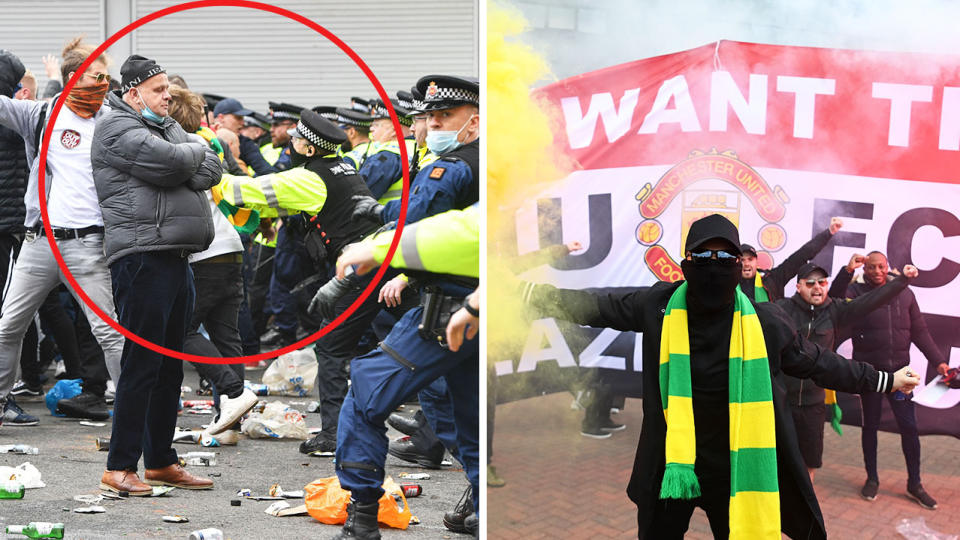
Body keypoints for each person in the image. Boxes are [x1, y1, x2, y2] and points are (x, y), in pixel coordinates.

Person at [521, 213, 919, 539]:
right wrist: (528, 295)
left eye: (724, 258)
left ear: (738, 265)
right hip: (671, 464)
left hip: (735, 466)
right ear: (686, 263)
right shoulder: (658, 305)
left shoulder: (763, 322)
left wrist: (885, 379)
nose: (714, 267)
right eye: (703, 257)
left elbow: (819, 362)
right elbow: (596, 305)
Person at [212, 109, 383, 457]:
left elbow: (248, 192)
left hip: (358, 271)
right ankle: (421, 429)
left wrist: (213, 171)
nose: (289, 145)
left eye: (295, 141)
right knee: (405, 341)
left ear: (308, 149)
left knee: (333, 349)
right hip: (377, 262)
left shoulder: (309, 178)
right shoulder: (344, 165)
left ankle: (335, 434)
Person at [92, 54, 220, 495]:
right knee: (142, 364)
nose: (168, 96)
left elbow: (211, 167)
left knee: (169, 366)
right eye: (158, 90)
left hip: (175, 256)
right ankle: (120, 465)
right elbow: (173, 164)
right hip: (142, 258)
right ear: (133, 93)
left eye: (168, 88)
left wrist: (189, 157)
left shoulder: (166, 127)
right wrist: (191, 156)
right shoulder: (116, 127)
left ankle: (161, 461)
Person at [332, 204, 481, 539]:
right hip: (492, 309)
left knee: (367, 391)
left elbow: (469, 227)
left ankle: (362, 520)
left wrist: (380, 247)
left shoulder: (493, 176)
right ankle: (486, 504)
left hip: (455, 309)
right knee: (473, 417)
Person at [0, 40, 125, 427]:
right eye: (96, 76)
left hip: (88, 244)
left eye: (106, 76)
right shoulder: (40, 115)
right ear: (73, 79)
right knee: (8, 326)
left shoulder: (112, 121)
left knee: (109, 332)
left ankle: (133, 410)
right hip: (39, 243)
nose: (104, 83)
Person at [775, 258, 916, 481]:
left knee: (809, 465)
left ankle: (803, 511)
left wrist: (901, 281)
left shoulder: (834, 310)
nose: (817, 287)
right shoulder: (781, 310)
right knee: (777, 463)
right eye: (810, 283)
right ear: (798, 286)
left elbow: (871, 300)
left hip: (813, 404)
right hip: (781, 403)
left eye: (821, 282)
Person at [829, 250, 949, 509]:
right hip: (872, 376)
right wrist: (847, 272)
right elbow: (834, 302)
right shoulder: (856, 294)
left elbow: (920, 331)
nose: (877, 272)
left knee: (909, 426)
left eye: (881, 267)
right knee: (870, 425)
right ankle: (872, 479)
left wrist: (939, 362)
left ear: (888, 266)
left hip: (901, 376)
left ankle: (914, 484)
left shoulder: (905, 292)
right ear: (865, 270)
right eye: (871, 268)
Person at [352, 75, 479, 226]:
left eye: (445, 114)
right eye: (430, 115)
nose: (433, 123)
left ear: (473, 123)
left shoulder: (450, 168)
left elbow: (416, 215)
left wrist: (379, 215)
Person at [739, 217, 843, 302]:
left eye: (750, 259)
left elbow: (802, 255)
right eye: (742, 260)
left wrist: (828, 233)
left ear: (756, 261)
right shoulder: (728, 283)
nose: (747, 264)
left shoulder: (773, 279)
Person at [357, 98, 415, 203]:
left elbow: (358, 194)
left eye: (377, 124)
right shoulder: (416, 148)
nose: (371, 129)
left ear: (394, 129)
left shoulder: (387, 155)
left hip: (382, 217)